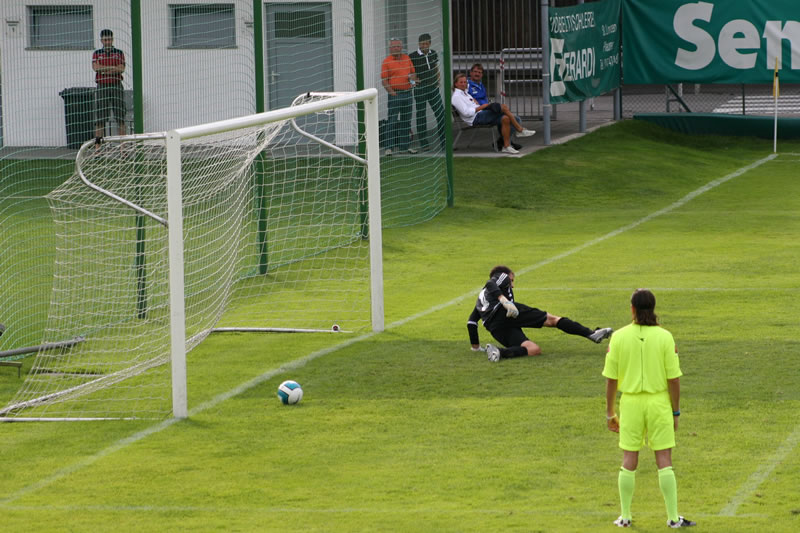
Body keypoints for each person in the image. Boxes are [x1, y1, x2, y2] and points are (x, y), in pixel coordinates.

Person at [603, 289, 696, 529]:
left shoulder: (619, 337)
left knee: (628, 458)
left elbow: (611, 379)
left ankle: (624, 517)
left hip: (631, 403)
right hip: (658, 403)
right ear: (653, 308)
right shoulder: (665, 337)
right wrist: (675, 411)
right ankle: (673, 518)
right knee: (664, 458)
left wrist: (610, 412)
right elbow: (674, 379)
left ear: (632, 309)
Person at [467, 265, 613, 361]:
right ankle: (591, 334)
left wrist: (475, 347)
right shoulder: (500, 277)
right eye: (512, 280)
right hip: (503, 311)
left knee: (533, 349)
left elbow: (471, 322)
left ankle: (498, 352)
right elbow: (490, 283)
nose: (512, 284)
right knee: (552, 320)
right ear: (505, 275)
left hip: (495, 327)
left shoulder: (481, 299)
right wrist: (504, 300)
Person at [452, 74, 535, 154]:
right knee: (503, 108)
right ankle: (520, 130)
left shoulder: (465, 93)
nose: (464, 84)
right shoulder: (457, 96)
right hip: (475, 118)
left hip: (480, 114)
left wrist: (477, 103)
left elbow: (471, 101)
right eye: (461, 82)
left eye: (465, 82)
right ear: (456, 84)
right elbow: (466, 113)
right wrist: (482, 107)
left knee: (505, 118)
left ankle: (506, 146)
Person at [468, 63, 524, 151]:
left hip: (487, 110)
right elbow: (463, 97)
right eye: (475, 72)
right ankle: (516, 133)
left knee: (514, 118)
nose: (477, 74)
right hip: (478, 114)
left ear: (482, 75)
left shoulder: (480, 85)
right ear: (470, 73)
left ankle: (503, 141)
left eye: (479, 72)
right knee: (506, 113)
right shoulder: (466, 84)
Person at [408, 33, 446, 151]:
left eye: (426, 43)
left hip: (433, 88)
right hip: (420, 89)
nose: (423, 46)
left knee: (440, 113)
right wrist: (414, 83)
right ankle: (424, 143)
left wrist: (438, 80)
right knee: (421, 115)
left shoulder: (433, 53)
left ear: (429, 43)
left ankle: (444, 142)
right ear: (418, 44)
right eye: (421, 44)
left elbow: (435, 67)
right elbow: (409, 72)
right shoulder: (412, 56)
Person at [381, 38, 418, 156]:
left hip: (407, 93)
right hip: (395, 94)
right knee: (391, 121)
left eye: (398, 46)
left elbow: (413, 73)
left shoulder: (407, 58)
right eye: (394, 46)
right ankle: (389, 148)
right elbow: (384, 80)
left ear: (401, 47)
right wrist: (392, 92)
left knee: (406, 121)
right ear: (390, 49)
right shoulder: (387, 61)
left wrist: (413, 80)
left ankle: (404, 147)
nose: (396, 48)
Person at [92, 29, 126, 146]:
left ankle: (123, 149)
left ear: (112, 39)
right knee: (100, 119)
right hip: (102, 86)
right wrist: (113, 68)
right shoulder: (97, 53)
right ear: (101, 40)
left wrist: (105, 70)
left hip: (116, 86)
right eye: (105, 40)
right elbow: (96, 68)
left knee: (120, 117)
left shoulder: (119, 52)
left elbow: (121, 69)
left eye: (110, 40)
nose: (108, 42)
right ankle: (97, 149)